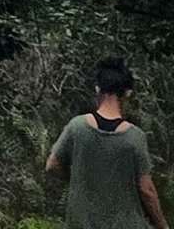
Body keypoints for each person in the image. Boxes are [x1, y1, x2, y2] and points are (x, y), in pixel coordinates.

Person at [50, 60, 168, 229]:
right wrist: (162, 225)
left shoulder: (76, 127)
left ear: (97, 89)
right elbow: (146, 189)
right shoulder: (134, 137)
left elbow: (52, 165)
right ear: (127, 93)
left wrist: (79, 179)